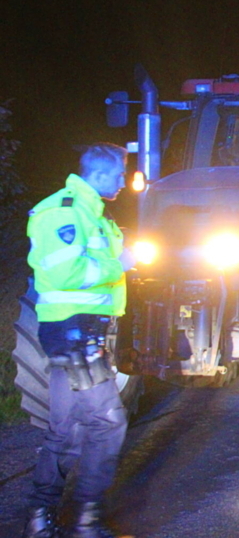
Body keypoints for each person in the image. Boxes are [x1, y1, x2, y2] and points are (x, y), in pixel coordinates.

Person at [21, 143, 135, 538]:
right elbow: (68, 273)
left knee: (67, 430)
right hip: (72, 332)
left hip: (81, 332)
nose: (125, 181)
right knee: (108, 424)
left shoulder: (93, 214)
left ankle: (40, 520)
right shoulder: (65, 212)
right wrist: (119, 264)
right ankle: (88, 520)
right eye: (120, 174)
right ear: (100, 174)